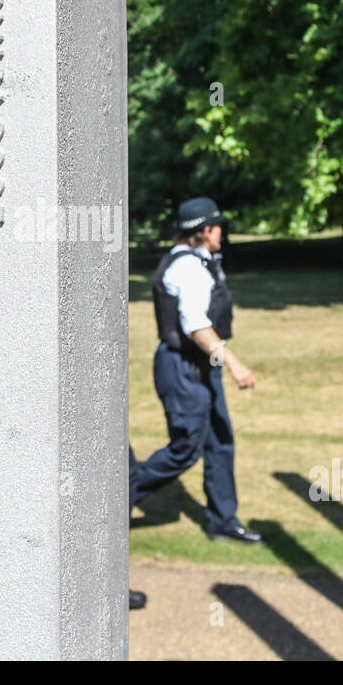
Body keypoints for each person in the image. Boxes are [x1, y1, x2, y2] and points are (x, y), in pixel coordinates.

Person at [130, 196, 260, 545]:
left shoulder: (198, 262)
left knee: (219, 440)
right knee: (187, 447)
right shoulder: (187, 268)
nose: (222, 234)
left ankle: (222, 519)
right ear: (205, 231)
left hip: (200, 365)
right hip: (181, 366)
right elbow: (196, 327)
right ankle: (117, 499)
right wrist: (235, 365)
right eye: (218, 228)